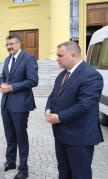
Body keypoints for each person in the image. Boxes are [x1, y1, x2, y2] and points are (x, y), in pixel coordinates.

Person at [45, 41, 104, 179]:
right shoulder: (63, 74)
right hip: (61, 134)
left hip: (79, 137)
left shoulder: (91, 75)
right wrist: (48, 108)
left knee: (79, 174)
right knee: (64, 171)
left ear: (73, 55)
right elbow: (53, 95)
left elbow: (84, 106)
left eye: (60, 55)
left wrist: (59, 117)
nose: (57, 58)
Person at [0, 34, 38, 179]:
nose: (9, 47)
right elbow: (3, 76)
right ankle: (10, 162)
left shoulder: (29, 59)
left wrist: (12, 87)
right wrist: (3, 84)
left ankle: (23, 169)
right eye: (7, 44)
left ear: (19, 44)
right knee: (10, 136)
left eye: (11, 44)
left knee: (21, 137)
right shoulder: (7, 59)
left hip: (20, 105)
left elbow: (33, 81)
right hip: (6, 104)